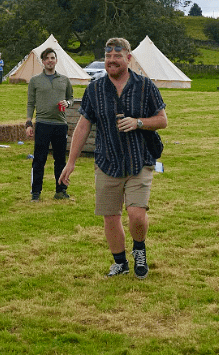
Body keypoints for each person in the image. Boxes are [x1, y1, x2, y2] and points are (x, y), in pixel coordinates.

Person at [59, 38, 167, 278]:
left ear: (128, 58)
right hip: (107, 162)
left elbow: (162, 120)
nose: (111, 61)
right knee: (110, 217)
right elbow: (83, 126)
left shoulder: (145, 86)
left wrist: (139, 122)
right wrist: (71, 162)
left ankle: (139, 249)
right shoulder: (95, 89)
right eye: (108, 57)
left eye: (117, 57)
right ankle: (120, 262)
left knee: (136, 214)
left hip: (139, 159)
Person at [25, 46, 73, 201]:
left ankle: (60, 191)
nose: (50, 61)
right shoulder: (35, 81)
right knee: (39, 159)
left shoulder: (65, 80)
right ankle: (36, 193)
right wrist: (28, 123)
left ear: (56, 60)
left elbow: (71, 99)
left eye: (52, 58)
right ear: (43, 62)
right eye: (47, 58)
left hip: (60, 124)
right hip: (42, 124)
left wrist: (67, 103)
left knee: (60, 160)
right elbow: (30, 103)